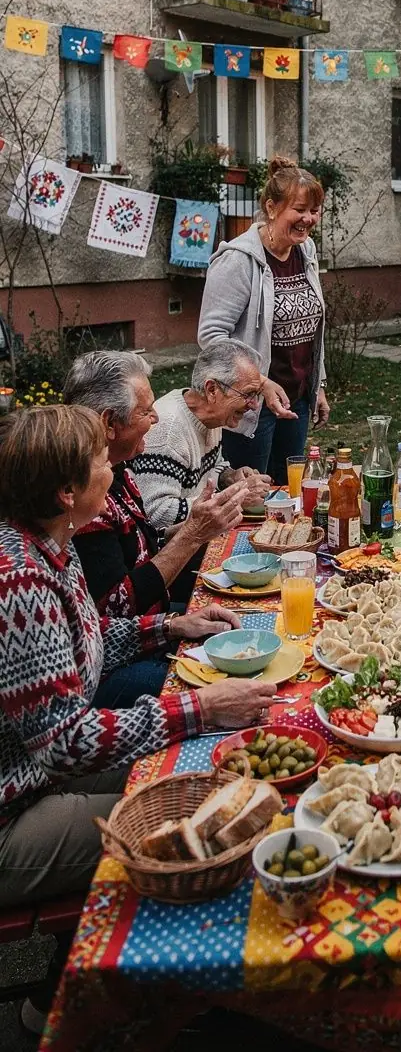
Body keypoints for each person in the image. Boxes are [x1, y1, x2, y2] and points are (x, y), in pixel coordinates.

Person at [0, 405, 281, 1028]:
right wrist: (196, 705)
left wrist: (169, 627)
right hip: (12, 810)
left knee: (193, 772)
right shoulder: (19, 577)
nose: (113, 469)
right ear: (66, 490)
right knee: (190, 832)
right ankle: (150, 1010)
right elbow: (66, 743)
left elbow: (90, 636)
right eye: (101, 462)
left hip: (38, 773)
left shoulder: (49, 541)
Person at [62, 351, 246, 704]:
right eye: (145, 411)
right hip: (113, 672)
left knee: (244, 629)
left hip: (145, 633)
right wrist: (193, 534)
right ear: (109, 424)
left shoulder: (117, 470)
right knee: (232, 680)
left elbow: (142, 544)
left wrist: (173, 623)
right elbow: (115, 609)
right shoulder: (82, 500)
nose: (157, 416)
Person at [198, 153, 329, 481]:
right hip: (249, 404)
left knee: (290, 489)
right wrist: (261, 383)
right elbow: (212, 337)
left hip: (294, 400)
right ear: (272, 208)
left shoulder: (305, 252)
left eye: (314, 211)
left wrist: (318, 385)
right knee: (252, 495)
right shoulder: (238, 261)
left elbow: (312, 328)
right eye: (299, 210)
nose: (308, 219)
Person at [131, 340, 271, 533]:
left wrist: (229, 477)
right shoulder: (168, 430)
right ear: (212, 390)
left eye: (256, 395)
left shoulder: (211, 416)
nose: (254, 405)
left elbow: (211, 468)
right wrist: (233, 498)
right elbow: (156, 514)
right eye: (247, 394)